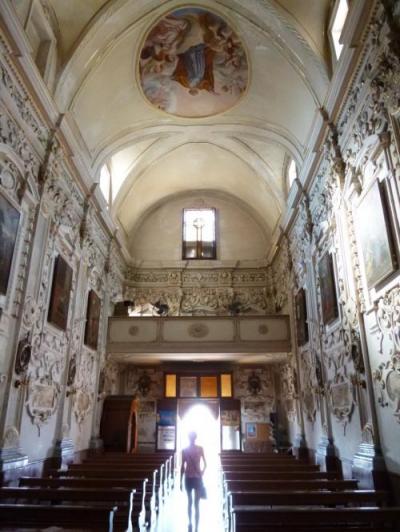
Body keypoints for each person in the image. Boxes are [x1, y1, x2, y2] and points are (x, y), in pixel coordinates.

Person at [180, 431, 207, 531]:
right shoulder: (200, 449)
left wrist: (180, 481)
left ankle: (190, 522)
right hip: (197, 478)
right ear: (195, 438)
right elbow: (205, 464)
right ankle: (196, 526)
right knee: (197, 503)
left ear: (188, 438)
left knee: (189, 501)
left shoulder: (184, 450)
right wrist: (202, 472)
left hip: (188, 477)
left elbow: (182, 466)